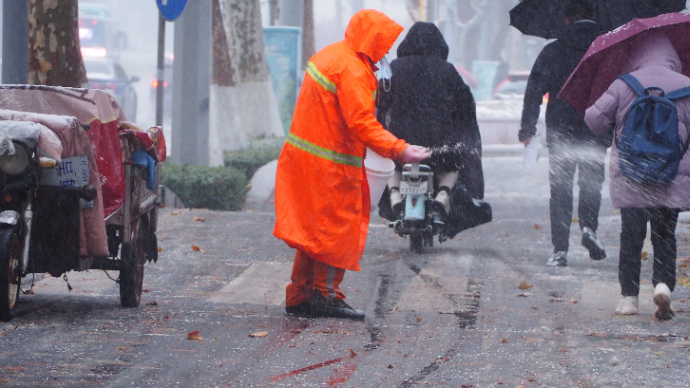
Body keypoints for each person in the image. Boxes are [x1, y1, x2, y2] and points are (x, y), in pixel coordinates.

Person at [274, 10, 431, 321]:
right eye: (384, 44)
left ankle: (300, 295)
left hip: (305, 160)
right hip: (332, 166)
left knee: (313, 232)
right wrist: (399, 149)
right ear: (371, 39)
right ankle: (327, 295)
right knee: (336, 233)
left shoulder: (330, 56)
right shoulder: (354, 71)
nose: (386, 51)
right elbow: (361, 122)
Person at [585, 32, 690, 320]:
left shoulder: (624, 84)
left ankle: (629, 298)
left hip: (631, 175)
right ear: (671, 56)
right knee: (664, 236)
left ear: (637, 56)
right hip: (670, 176)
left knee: (631, 236)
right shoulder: (686, 86)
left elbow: (593, 120)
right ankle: (663, 286)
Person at [519, 0, 609, 267]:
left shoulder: (553, 50)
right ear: (595, 17)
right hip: (596, 126)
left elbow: (533, 91)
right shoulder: (604, 50)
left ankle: (560, 250)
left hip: (561, 129)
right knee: (591, 184)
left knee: (560, 189)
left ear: (566, 20)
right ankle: (589, 229)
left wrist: (527, 128)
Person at [376, 21, 483, 217]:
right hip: (438, 140)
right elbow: (465, 102)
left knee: (391, 162)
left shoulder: (395, 68)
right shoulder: (446, 69)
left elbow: (380, 100)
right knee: (453, 163)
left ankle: (394, 193)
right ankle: (444, 193)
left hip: (402, 140)